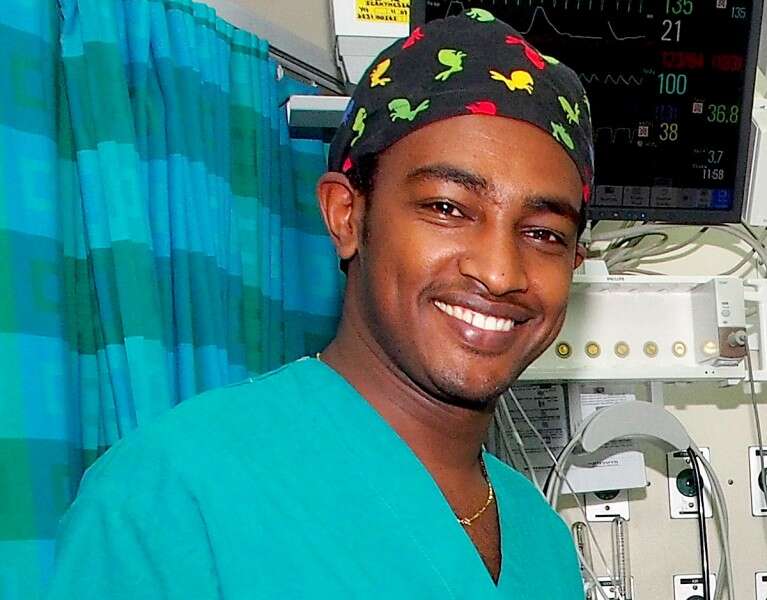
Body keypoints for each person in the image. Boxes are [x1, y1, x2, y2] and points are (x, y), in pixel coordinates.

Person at [46, 10, 593, 599]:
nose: (500, 271)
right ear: (346, 216)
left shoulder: (543, 540)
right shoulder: (172, 498)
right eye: (447, 208)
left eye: (544, 233)